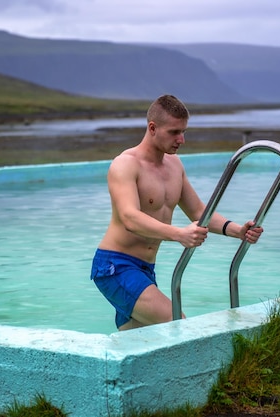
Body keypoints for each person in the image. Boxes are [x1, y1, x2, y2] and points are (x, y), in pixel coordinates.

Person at [90, 94, 264, 331]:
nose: (181, 139)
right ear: (152, 128)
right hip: (115, 266)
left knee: (141, 340)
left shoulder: (175, 166)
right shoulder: (126, 164)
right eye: (174, 132)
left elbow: (199, 211)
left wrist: (238, 231)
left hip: (145, 269)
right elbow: (129, 218)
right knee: (177, 324)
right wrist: (178, 234)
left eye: (184, 131)